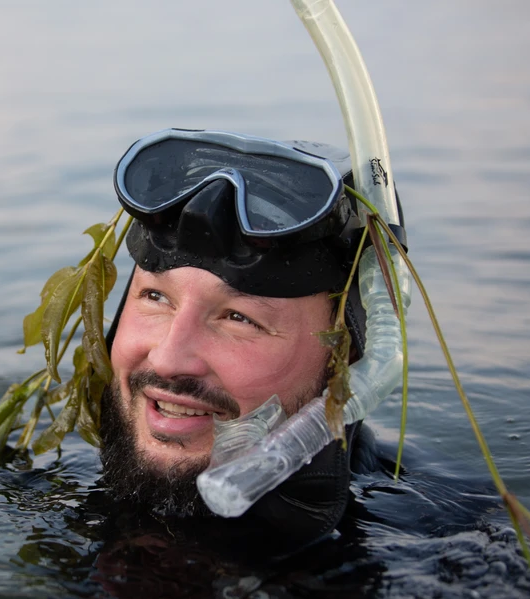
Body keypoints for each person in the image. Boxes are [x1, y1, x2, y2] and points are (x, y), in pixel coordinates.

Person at [95, 128, 404, 546]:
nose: (168, 359)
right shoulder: (26, 487)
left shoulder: (442, 554)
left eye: (239, 318)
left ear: (348, 366)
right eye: (155, 296)